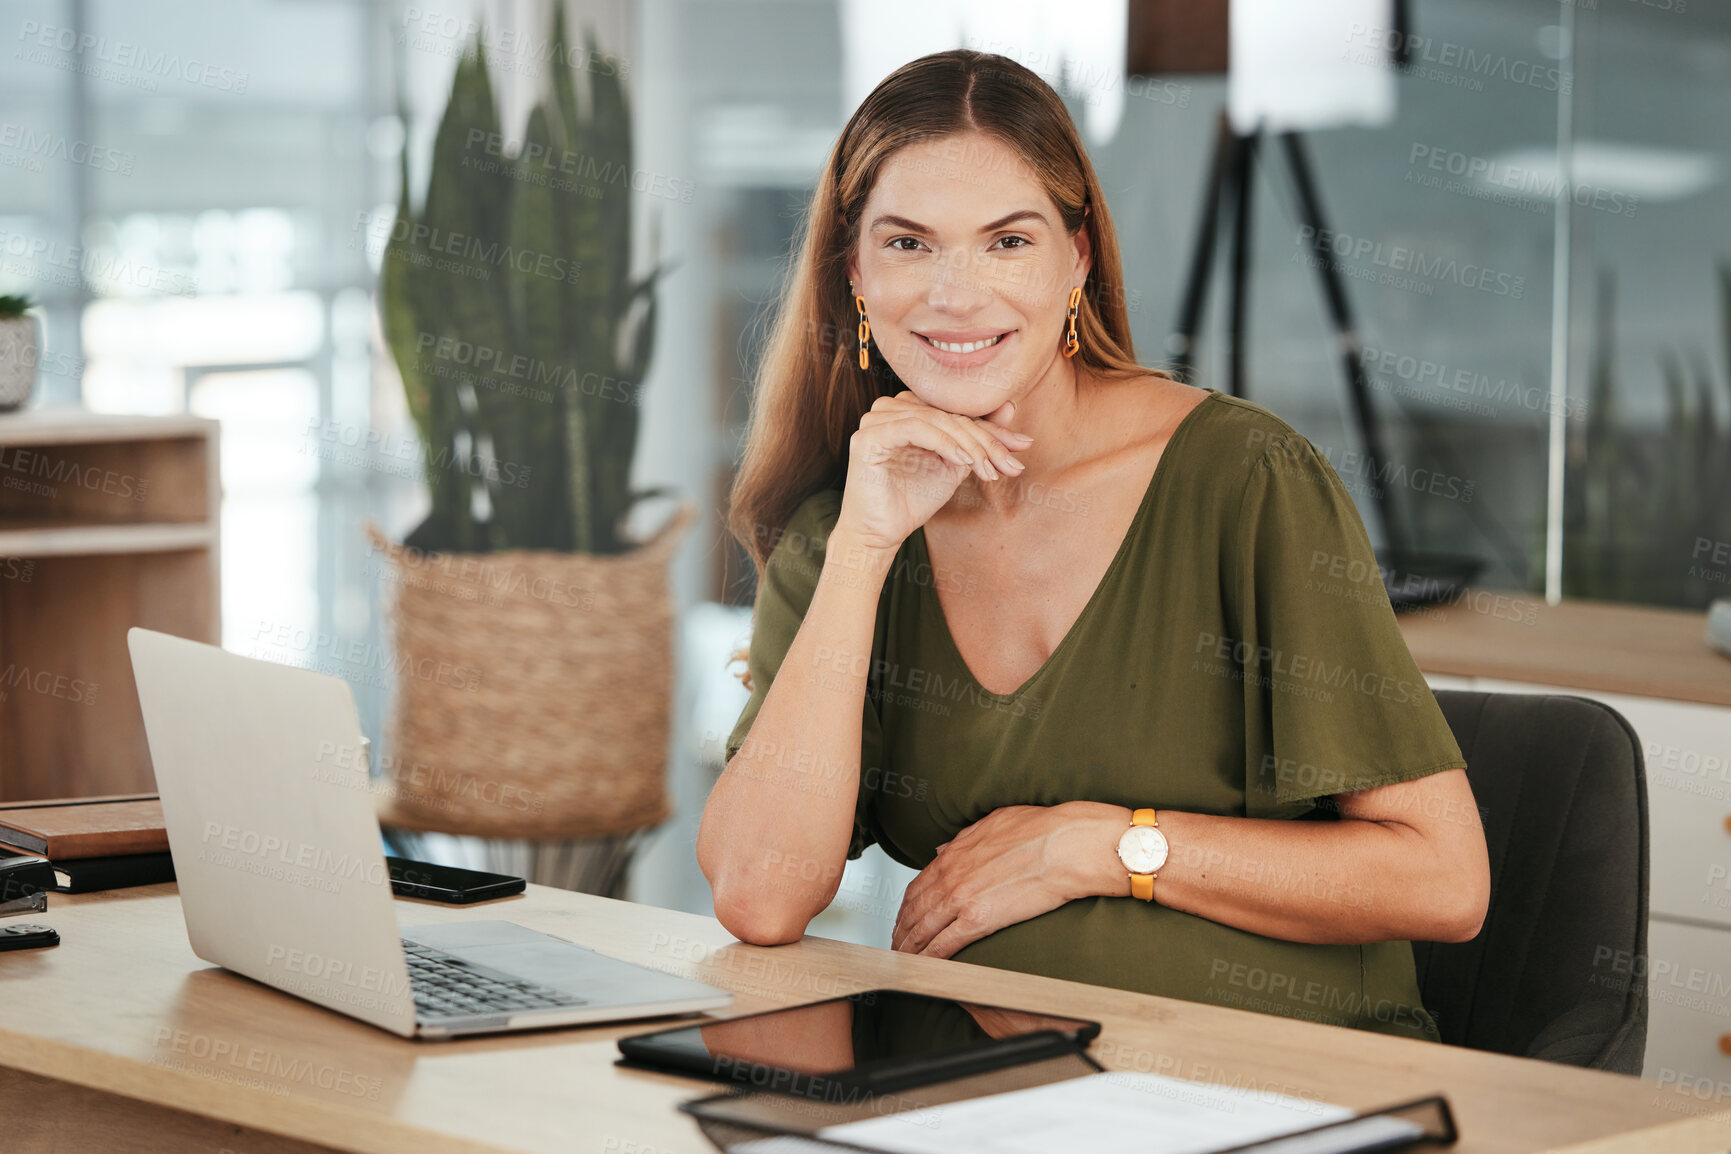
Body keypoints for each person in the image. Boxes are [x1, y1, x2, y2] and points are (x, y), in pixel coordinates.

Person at [698, 49, 1489, 1042]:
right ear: (852, 273)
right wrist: (862, 547)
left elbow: (1444, 877)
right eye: (908, 244)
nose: (956, 293)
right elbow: (761, 897)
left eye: (1006, 241)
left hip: (1279, 1092)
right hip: (983, 1102)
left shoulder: (1245, 482)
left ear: (1076, 260)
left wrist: (1105, 844)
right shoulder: (845, 529)